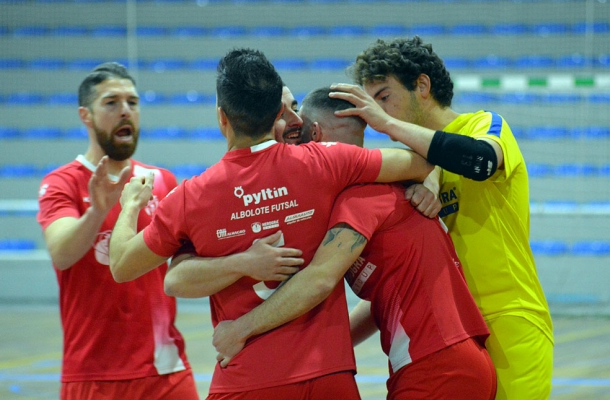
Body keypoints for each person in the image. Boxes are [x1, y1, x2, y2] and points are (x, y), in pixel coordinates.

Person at [108, 48, 434, 399]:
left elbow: (122, 265)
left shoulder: (191, 197)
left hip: (246, 379)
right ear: (278, 113)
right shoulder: (326, 163)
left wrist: (130, 205)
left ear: (222, 118)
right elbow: (421, 159)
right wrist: (425, 180)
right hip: (328, 376)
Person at [211, 86, 497, 400]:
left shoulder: (360, 196)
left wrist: (242, 330)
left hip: (437, 365)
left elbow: (319, 279)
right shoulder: (385, 188)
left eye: (300, 128)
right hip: (450, 361)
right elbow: (382, 304)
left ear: (316, 134)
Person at [330, 36, 554, 399]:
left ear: (422, 85)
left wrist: (389, 125)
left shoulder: (484, 124)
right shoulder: (411, 169)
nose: (377, 116)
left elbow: (480, 161)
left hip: (510, 319)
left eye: (384, 98)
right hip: (453, 338)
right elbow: (395, 285)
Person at [36, 62, 199, 400]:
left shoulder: (162, 180)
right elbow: (63, 254)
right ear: (86, 115)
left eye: (133, 102)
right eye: (111, 103)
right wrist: (98, 209)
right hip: (94, 374)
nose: (125, 111)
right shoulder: (62, 182)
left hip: (166, 369)